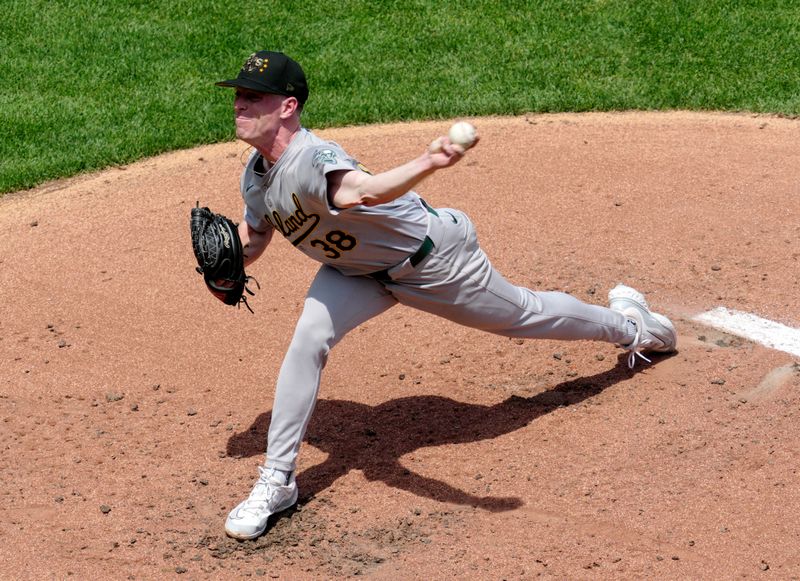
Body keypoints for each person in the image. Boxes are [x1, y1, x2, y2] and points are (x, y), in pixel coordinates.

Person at [213, 50, 677, 540]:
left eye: (252, 97)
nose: (239, 105)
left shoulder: (312, 158)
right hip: (354, 272)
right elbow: (255, 237)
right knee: (308, 340)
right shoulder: (256, 173)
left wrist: (429, 161)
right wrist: (224, 265)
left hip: (432, 261)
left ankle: (632, 325)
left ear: (287, 107)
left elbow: (363, 192)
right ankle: (277, 480)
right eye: (239, 96)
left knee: (523, 315)